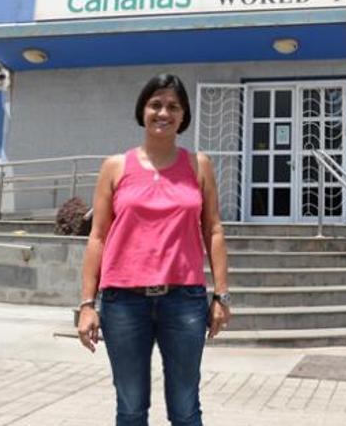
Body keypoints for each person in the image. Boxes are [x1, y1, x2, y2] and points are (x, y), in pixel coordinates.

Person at [76, 73, 231, 426]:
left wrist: (221, 295)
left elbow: (214, 230)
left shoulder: (198, 165)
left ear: (184, 115)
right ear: (142, 110)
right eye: (155, 104)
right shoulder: (115, 167)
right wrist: (87, 304)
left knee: (185, 407)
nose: (164, 112)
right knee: (130, 407)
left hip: (185, 301)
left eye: (173, 106)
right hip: (123, 303)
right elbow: (97, 236)